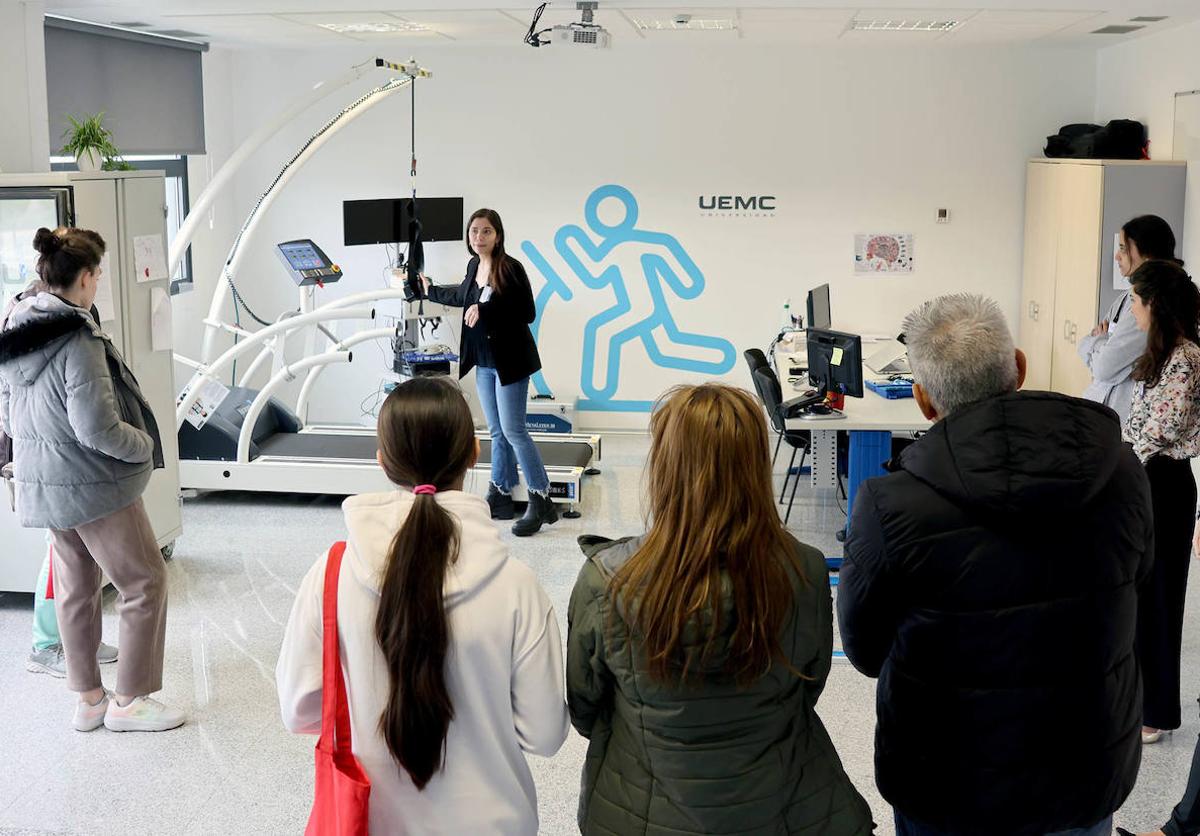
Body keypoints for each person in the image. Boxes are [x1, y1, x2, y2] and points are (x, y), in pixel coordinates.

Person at [839, 293, 1152, 836]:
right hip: (1082, 770)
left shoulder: (889, 505)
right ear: (1021, 368)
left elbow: (865, 651)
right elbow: (1137, 582)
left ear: (924, 401)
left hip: (945, 781)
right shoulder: (1122, 470)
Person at [566, 383, 874, 835]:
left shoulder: (607, 581)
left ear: (664, 470)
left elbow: (585, 709)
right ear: (753, 468)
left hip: (641, 810)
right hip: (778, 806)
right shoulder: (805, 570)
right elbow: (807, 686)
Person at [277, 377, 568, 834]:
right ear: (474, 454)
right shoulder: (517, 586)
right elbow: (546, 734)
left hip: (369, 822)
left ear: (383, 461)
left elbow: (298, 709)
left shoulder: (331, 575)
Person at [0, 228, 181, 732]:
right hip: (94, 485)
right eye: (98, 274)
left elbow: (9, 417)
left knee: (76, 588)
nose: (99, 282)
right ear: (84, 277)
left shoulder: (18, 321)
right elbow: (96, 427)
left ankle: (89, 701)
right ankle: (130, 701)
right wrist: (143, 444)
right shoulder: (76, 336)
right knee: (145, 581)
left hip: (44, 483)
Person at [2, 277, 117, 678]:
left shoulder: (58, 314)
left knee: (77, 558)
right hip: (43, 462)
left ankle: (83, 641)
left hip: (60, 461)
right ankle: (47, 644)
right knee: (60, 558)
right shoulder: (36, 314)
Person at [422, 209, 557, 536]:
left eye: (486, 232)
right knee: (496, 430)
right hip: (483, 361)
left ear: (498, 235)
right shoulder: (473, 266)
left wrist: (486, 308)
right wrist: (429, 289)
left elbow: (526, 311)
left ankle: (541, 500)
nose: (479, 238)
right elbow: (461, 296)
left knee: (514, 431)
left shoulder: (510, 268)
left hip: (511, 361)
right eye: (474, 232)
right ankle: (500, 493)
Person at [1123, 259, 1200, 745]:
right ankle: (1137, 703)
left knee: (1160, 600)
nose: (1130, 309)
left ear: (1155, 304)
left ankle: (1155, 713)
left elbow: (1158, 431)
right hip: (1144, 477)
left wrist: (1121, 452)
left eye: (1134, 300)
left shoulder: (1187, 358)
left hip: (1165, 484)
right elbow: (1137, 424)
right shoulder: (1160, 353)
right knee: (1137, 596)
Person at [1079, 215, 1182, 424]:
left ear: (1147, 254)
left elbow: (1104, 368)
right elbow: (1084, 345)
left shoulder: (1155, 303)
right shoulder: (1128, 298)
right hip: (1107, 415)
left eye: (1124, 249)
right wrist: (1102, 346)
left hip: (1129, 427)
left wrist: (1099, 341)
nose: (1117, 256)